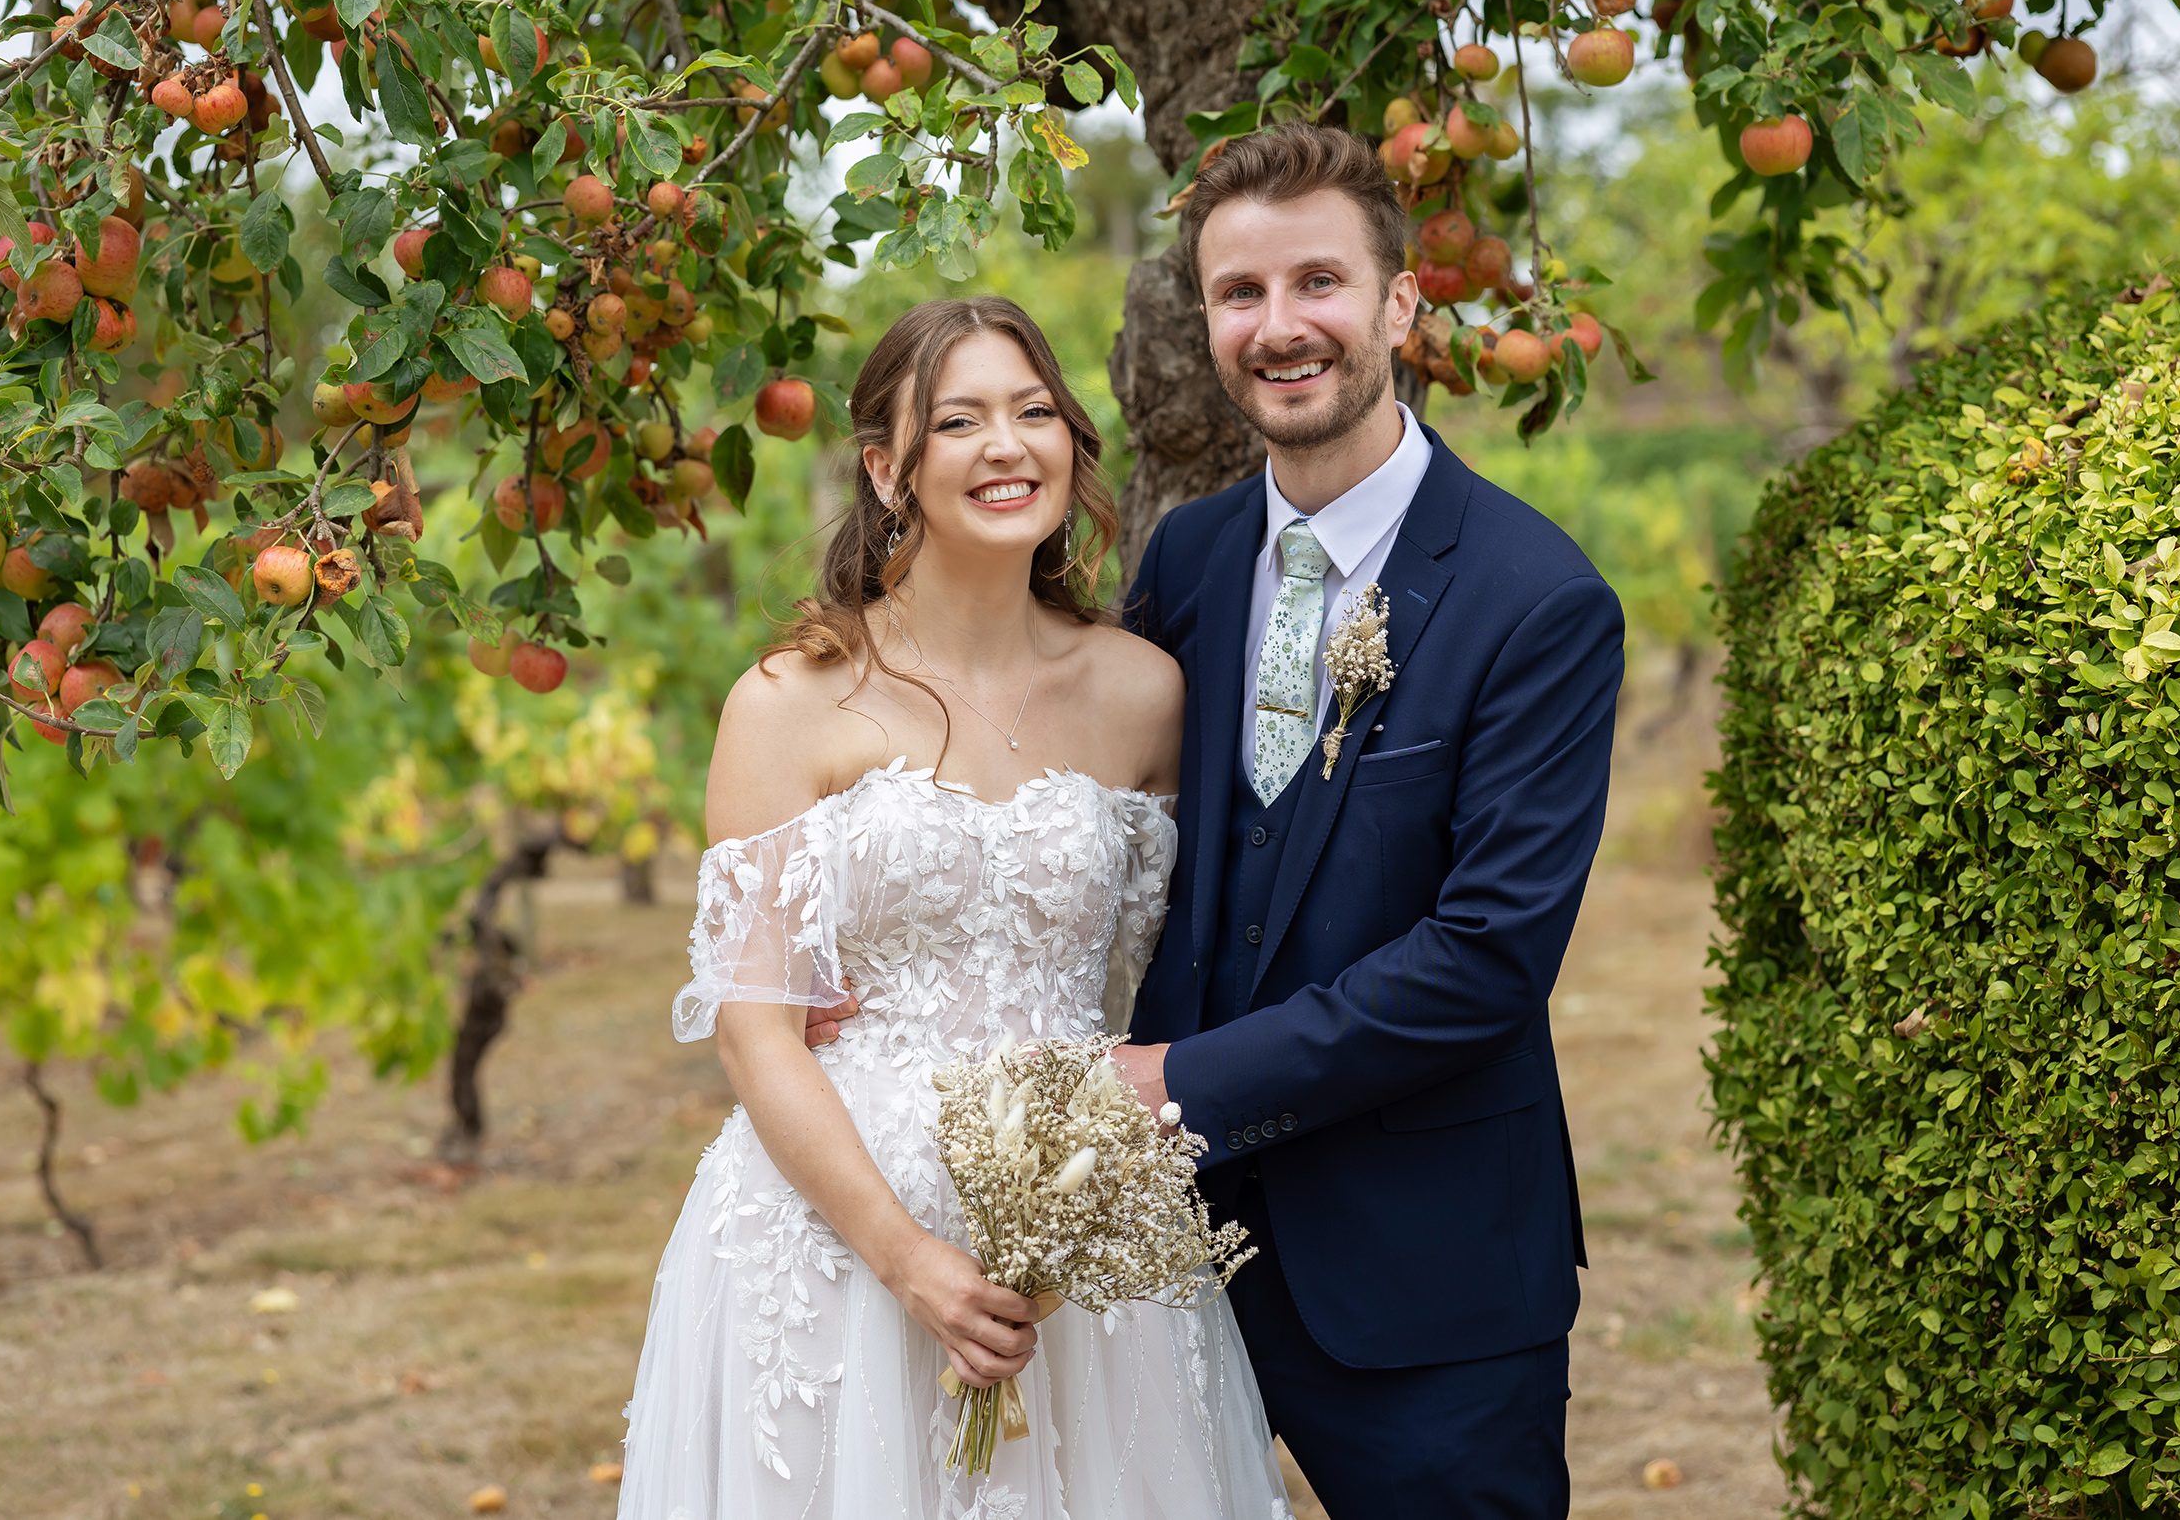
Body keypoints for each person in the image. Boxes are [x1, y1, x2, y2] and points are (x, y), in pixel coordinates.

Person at [613, 295, 1291, 1519]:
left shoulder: (1145, 693)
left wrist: (1076, 1191)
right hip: (835, 1239)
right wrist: (908, 1259)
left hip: (1076, 1229)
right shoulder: (789, 701)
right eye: (961, 420)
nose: (1006, 446)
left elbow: (1161, 970)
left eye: (1035, 413)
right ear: (888, 467)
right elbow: (754, 1028)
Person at [1109, 123, 1624, 1517]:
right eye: (1240, 294)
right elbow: (1128, 840)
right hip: (1166, 1265)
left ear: (1401, 302)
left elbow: (1486, 960)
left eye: (1319, 283)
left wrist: (1179, 1088)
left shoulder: (1537, 599)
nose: (1280, 328)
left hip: (1426, 1278)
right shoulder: (1190, 558)